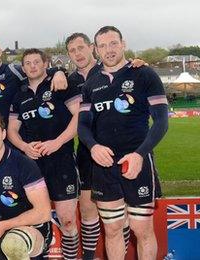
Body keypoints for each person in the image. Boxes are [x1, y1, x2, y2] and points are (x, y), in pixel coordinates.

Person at [78, 26, 168, 260]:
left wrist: (140, 154)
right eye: (103, 45)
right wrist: (93, 147)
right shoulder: (91, 84)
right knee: (113, 229)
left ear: (123, 44)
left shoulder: (144, 74)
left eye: (113, 43)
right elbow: (83, 125)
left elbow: (161, 122)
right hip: (104, 166)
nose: (109, 50)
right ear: (96, 50)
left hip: (136, 162)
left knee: (142, 229)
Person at [7, 48, 81, 259]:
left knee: (67, 221)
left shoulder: (60, 84)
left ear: (45, 63)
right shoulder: (19, 94)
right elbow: (12, 130)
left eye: (36, 62)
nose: (32, 66)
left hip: (62, 161)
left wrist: (57, 143)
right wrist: (23, 147)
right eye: (28, 63)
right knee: (37, 219)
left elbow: (79, 118)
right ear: (23, 68)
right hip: (32, 166)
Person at [0, 111, 52, 260]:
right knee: (6, 244)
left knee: (13, 244)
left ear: (3, 134)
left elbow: (44, 212)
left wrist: (2, 226)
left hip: (35, 228)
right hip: (2, 230)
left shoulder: (24, 164)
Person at [0, 34, 68, 124]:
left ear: (0, 51)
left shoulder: (14, 71)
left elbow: (41, 72)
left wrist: (59, 72)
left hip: (16, 140)